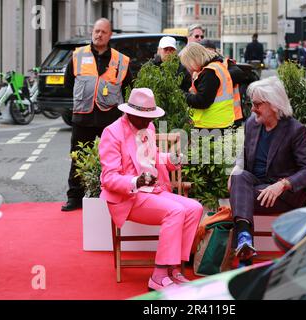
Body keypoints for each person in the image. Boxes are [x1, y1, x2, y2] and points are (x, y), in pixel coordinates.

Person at [99, 88, 204, 290]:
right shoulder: (112, 133)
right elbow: (109, 178)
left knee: (194, 208)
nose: (148, 122)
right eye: (144, 117)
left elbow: (153, 157)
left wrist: (172, 160)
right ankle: (158, 275)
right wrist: (136, 181)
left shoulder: (148, 128)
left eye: (151, 117)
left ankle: (173, 269)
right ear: (130, 113)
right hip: (128, 198)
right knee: (176, 211)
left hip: (154, 192)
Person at [228, 76, 306, 266]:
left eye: (257, 104)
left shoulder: (296, 130)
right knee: (238, 176)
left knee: (240, 196)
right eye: (251, 104)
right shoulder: (252, 123)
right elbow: (243, 157)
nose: (252, 109)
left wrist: (282, 185)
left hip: (283, 196)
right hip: (256, 190)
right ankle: (245, 239)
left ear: (274, 105)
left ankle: (244, 250)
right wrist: (236, 168)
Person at [61, 18, 133, 211]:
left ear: (110, 35)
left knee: (111, 161)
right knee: (79, 158)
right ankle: (74, 197)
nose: (98, 34)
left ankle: (109, 196)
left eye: (103, 32)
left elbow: (129, 89)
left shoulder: (121, 60)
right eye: (96, 31)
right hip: (82, 118)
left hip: (109, 119)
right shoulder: (78, 55)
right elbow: (68, 84)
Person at [179, 42, 235, 130]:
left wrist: (181, 95)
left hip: (210, 125)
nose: (189, 69)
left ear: (194, 59)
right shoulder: (216, 67)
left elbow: (202, 101)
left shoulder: (209, 72)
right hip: (219, 123)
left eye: (188, 65)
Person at [200, 38, 248, 125]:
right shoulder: (199, 67)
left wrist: (216, 75)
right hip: (212, 117)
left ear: (215, 51)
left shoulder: (224, 63)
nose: (208, 55)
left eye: (210, 52)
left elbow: (239, 74)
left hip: (232, 116)